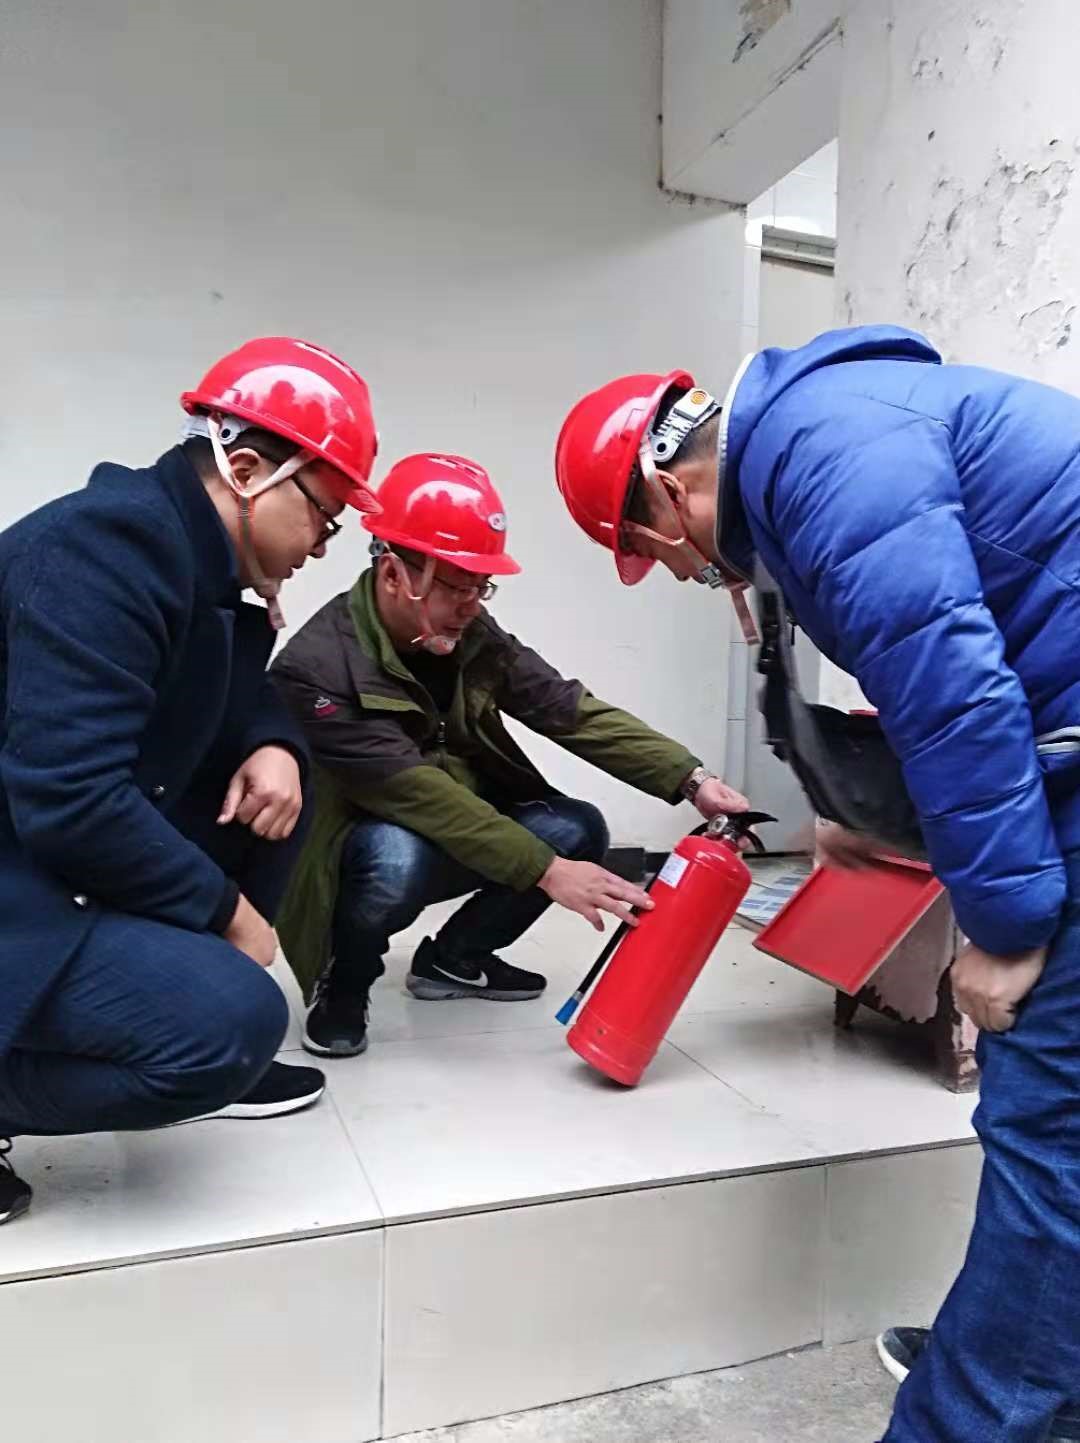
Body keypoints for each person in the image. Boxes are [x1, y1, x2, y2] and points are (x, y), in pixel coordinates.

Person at [553, 328, 1080, 1443]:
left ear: (668, 493)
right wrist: (865, 800)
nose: (685, 574)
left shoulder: (825, 457)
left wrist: (1006, 927)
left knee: (1050, 1122)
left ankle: (980, 1409)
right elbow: (949, 653)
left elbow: (955, 691)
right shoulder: (827, 436)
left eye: (655, 553)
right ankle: (1025, 1352)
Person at [0, 336, 380, 1226]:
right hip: (21, 869)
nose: (322, 546)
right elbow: (71, 798)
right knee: (230, 1025)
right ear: (246, 471)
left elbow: (235, 697)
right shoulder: (103, 550)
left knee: (283, 790)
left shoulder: (190, 557)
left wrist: (274, 744)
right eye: (323, 518)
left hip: (43, 854)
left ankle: (167, 994)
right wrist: (228, 914)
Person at [270, 451, 747, 1058]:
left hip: (454, 823)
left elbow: (566, 708)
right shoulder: (316, 669)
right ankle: (343, 984)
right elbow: (417, 792)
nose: (473, 605)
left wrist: (690, 778)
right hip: (357, 849)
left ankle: (453, 959)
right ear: (393, 574)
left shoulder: (470, 632)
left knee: (575, 827)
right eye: (457, 586)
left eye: (482, 587)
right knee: (396, 854)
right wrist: (547, 871)